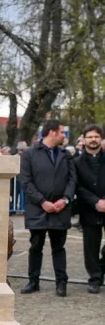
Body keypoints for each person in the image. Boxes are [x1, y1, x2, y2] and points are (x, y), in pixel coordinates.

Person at [19, 120, 75, 297]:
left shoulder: (65, 155)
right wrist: (42, 202)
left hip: (60, 209)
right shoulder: (29, 154)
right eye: (61, 132)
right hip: (37, 209)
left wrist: (65, 200)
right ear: (52, 132)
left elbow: (72, 180)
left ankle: (61, 283)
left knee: (59, 247)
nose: (64, 135)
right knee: (36, 246)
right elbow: (26, 181)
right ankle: (33, 281)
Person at [74, 124, 105, 293]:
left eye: (96, 137)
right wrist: (95, 201)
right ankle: (95, 278)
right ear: (84, 139)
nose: (93, 140)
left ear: (101, 139)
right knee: (91, 247)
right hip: (88, 208)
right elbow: (77, 186)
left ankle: (101, 267)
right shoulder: (76, 162)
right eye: (90, 137)